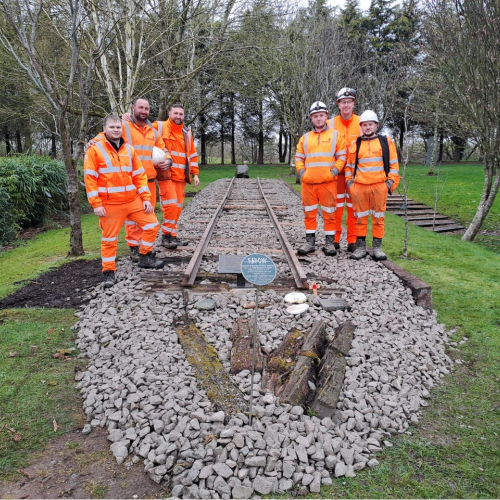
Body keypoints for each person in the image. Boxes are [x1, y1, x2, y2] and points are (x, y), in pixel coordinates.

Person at [84, 115, 164, 289]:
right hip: (110, 205)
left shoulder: (129, 149)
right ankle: (109, 272)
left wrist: (146, 199)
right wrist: (96, 204)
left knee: (152, 225)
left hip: (133, 201)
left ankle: (144, 256)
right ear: (104, 129)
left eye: (118, 127)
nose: (116, 130)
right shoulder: (94, 150)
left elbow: (139, 175)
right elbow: (90, 178)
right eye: (112, 127)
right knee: (109, 239)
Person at [91, 98, 171, 262]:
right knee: (133, 221)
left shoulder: (153, 132)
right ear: (133, 108)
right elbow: (108, 132)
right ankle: (135, 249)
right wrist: (96, 141)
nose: (144, 111)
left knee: (148, 217)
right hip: (130, 183)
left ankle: (145, 250)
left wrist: (168, 161)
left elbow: (164, 150)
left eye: (147, 109)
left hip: (148, 181)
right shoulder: (125, 125)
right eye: (140, 107)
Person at [345, 110, 400, 261]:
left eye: (370, 124)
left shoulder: (386, 142)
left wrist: (388, 184)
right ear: (361, 126)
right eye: (364, 125)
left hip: (379, 187)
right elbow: (349, 166)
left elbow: (394, 165)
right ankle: (361, 248)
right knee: (360, 218)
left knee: (378, 218)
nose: (367, 127)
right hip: (359, 187)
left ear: (376, 125)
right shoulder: (355, 143)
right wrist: (351, 184)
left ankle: (377, 248)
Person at [294, 101, 347, 256]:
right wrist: (302, 173)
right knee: (309, 214)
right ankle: (309, 242)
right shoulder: (305, 138)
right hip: (308, 184)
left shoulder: (336, 136)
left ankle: (329, 244)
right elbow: (298, 157)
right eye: (315, 116)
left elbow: (342, 156)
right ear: (311, 118)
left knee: (329, 214)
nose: (318, 119)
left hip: (328, 183)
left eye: (321, 115)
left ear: (326, 116)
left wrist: (334, 172)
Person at [152, 104, 200, 249]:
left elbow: (191, 154)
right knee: (171, 206)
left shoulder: (187, 132)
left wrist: (195, 173)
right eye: (175, 113)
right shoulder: (158, 127)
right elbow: (138, 131)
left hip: (181, 177)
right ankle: (166, 237)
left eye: (181, 114)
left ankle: (172, 236)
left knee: (178, 208)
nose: (178, 116)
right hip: (167, 176)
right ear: (169, 113)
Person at [327, 87, 360, 252]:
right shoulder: (329, 124)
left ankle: (353, 241)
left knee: (354, 209)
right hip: (337, 175)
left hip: (355, 175)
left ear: (353, 103)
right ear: (338, 104)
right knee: (336, 208)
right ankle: (334, 239)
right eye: (343, 102)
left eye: (349, 102)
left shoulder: (362, 123)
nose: (346, 105)